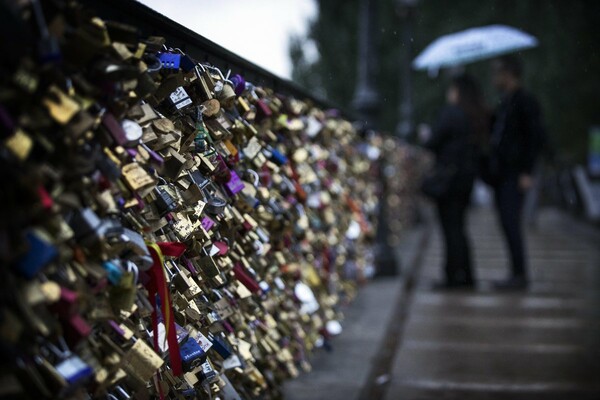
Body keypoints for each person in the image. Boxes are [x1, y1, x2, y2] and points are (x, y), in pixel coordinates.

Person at [486, 55, 545, 290]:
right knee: (506, 222)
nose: (494, 78)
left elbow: (534, 138)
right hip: (503, 173)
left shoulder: (525, 101)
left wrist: (526, 171)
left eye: (497, 72)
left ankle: (519, 275)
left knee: (512, 222)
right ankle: (515, 272)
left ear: (508, 73)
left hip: (515, 173)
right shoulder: (506, 101)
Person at [423, 74, 487, 289]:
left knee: (450, 229)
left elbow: (433, 142)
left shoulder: (451, 114)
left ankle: (453, 277)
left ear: (457, 91)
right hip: (465, 180)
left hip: (449, 180)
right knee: (459, 227)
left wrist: (427, 136)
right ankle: (467, 276)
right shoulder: (475, 115)